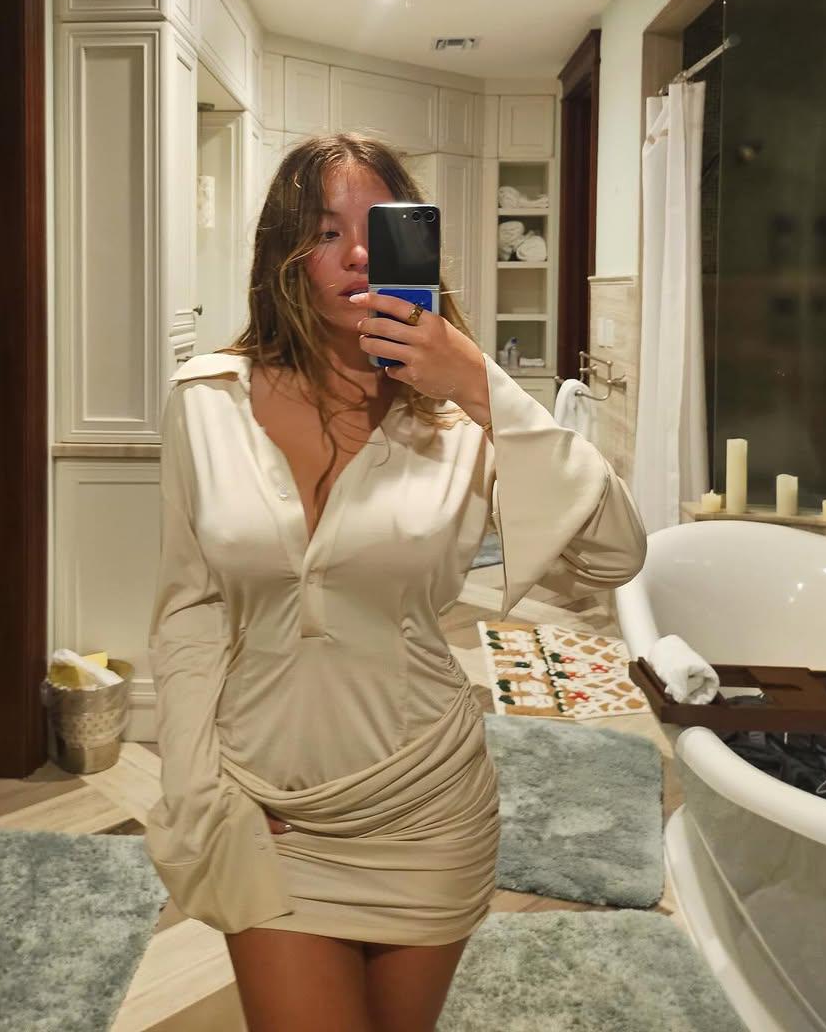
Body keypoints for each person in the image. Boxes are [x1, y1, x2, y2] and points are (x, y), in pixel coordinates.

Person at [143, 133, 647, 1032]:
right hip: (268, 806)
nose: (357, 254)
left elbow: (613, 558)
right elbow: (192, 606)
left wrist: (480, 385)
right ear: (283, 252)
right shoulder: (207, 402)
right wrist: (194, 779)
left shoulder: (459, 422)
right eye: (324, 230)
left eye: (378, 229)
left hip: (426, 804)